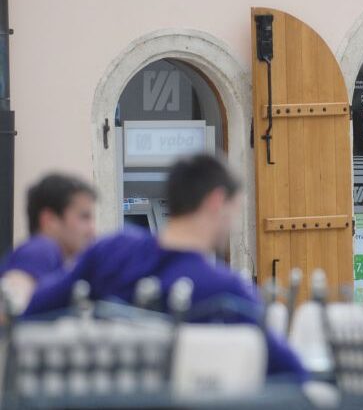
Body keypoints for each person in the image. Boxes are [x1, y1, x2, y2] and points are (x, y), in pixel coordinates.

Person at [25, 154, 307, 382]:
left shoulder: (110, 250)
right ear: (217, 201)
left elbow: (33, 311)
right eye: (236, 209)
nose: (234, 223)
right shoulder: (226, 291)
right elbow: (293, 375)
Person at [0, 174, 96, 312]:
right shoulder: (42, 249)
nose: (92, 229)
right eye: (84, 217)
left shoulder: (56, 259)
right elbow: (9, 304)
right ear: (50, 220)